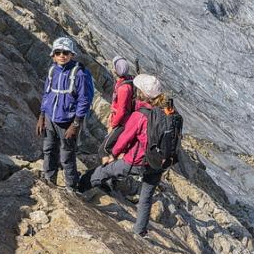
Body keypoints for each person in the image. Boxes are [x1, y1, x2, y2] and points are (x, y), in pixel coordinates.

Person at [77, 73, 168, 236]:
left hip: (137, 161)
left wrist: (112, 154)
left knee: (103, 171)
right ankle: (140, 231)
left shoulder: (140, 115)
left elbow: (125, 138)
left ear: (142, 93)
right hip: (156, 165)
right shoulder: (164, 115)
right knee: (146, 198)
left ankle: (78, 188)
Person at [36, 36, 95, 191]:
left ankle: (71, 186)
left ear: (71, 55)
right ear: (53, 55)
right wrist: (42, 116)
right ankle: (50, 179)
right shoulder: (52, 71)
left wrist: (75, 124)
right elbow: (46, 94)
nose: (62, 55)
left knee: (66, 156)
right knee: (48, 150)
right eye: (58, 52)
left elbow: (84, 100)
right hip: (50, 118)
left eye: (65, 52)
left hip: (68, 122)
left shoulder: (79, 74)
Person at [101, 56, 135, 157]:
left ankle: (108, 168)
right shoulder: (126, 81)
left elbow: (122, 110)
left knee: (104, 149)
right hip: (118, 118)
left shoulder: (124, 88)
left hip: (121, 121)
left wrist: (113, 124)